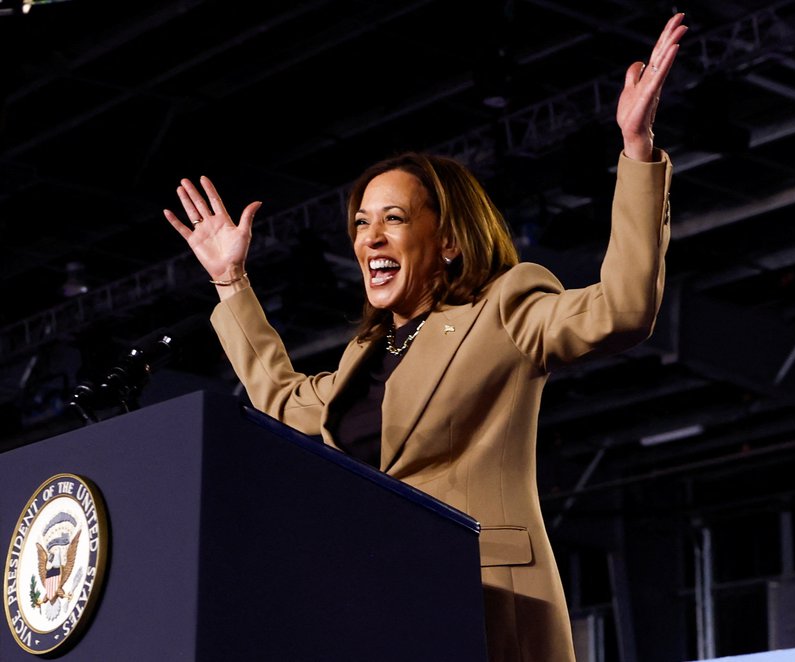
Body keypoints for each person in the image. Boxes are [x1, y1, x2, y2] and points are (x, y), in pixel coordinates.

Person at [164, 13, 686, 662]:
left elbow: (623, 309)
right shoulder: (367, 355)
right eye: (360, 223)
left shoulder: (507, 306)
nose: (370, 237)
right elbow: (282, 401)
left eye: (393, 219)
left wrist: (636, 151)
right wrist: (230, 282)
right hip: (391, 604)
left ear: (445, 241)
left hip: (489, 604)